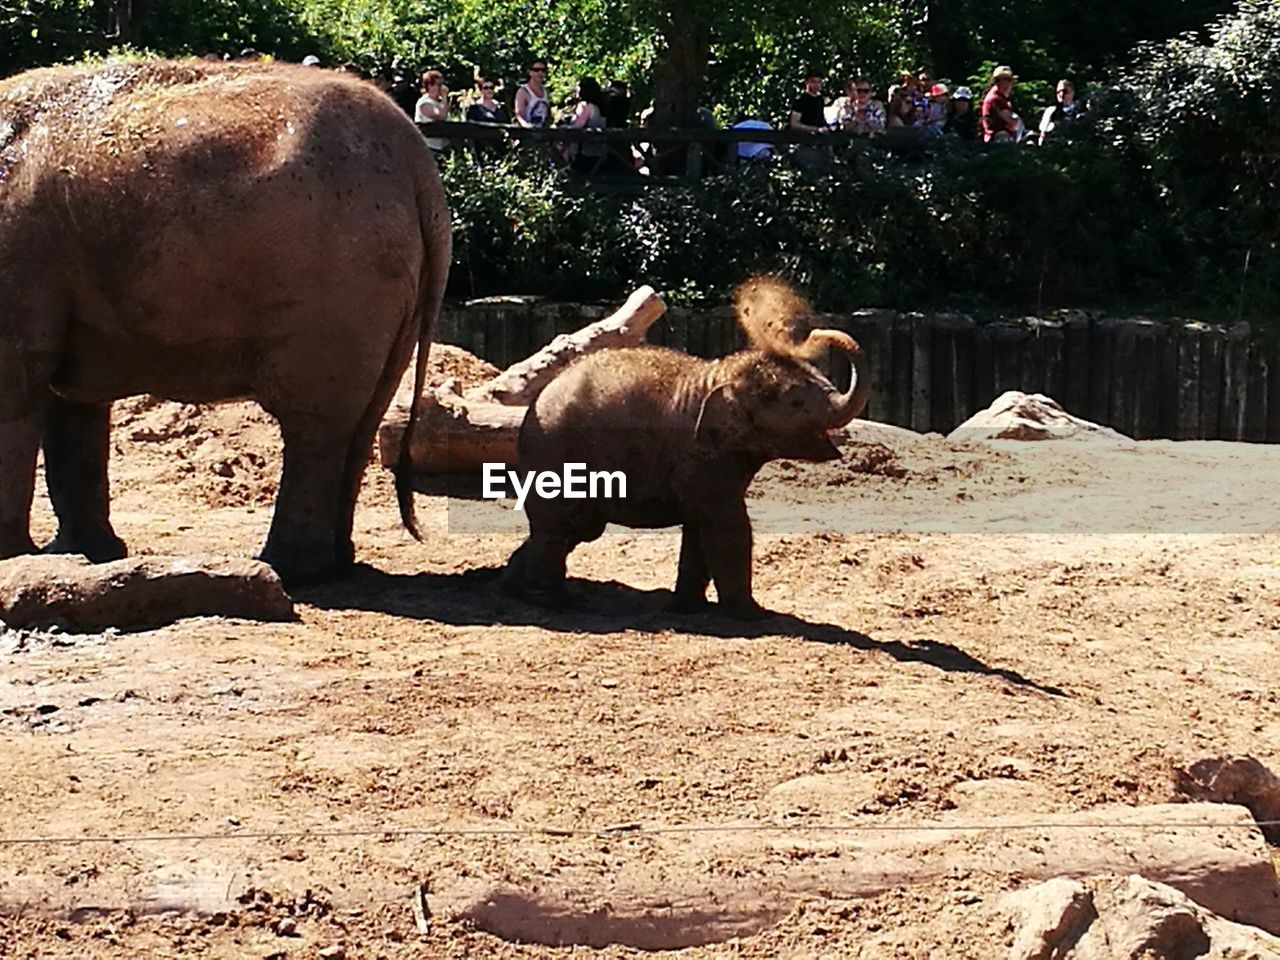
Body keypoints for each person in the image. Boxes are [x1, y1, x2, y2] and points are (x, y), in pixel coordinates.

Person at [565, 77, 608, 174]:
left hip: (585, 153)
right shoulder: (601, 106)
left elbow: (577, 126)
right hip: (599, 153)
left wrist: (563, 128)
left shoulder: (585, 106)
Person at [981, 65, 1021, 143]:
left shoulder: (998, 97)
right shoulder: (997, 99)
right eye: (1008, 79)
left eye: (1011, 80)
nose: (1010, 83)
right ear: (997, 81)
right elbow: (1013, 123)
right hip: (999, 140)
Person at [414, 70, 450, 156]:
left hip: (443, 147)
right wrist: (445, 97)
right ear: (429, 86)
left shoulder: (440, 102)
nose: (441, 88)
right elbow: (441, 117)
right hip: (429, 148)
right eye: (438, 85)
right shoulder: (424, 103)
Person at [1038, 79, 1083, 144]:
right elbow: (1043, 134)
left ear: (1072, 93)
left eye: (1064, 91)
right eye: (1058, 92)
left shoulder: (1078, 110)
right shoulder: (1050, 111)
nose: (1061, 94)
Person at [515, 59, 551, 128]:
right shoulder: (523, 91)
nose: (540, 73)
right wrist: (526, 126)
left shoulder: (545, 91)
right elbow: (519, 115)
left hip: (543, 132)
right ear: (529, 72)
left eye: (543, 70)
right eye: (536, 70)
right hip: (528, 132)